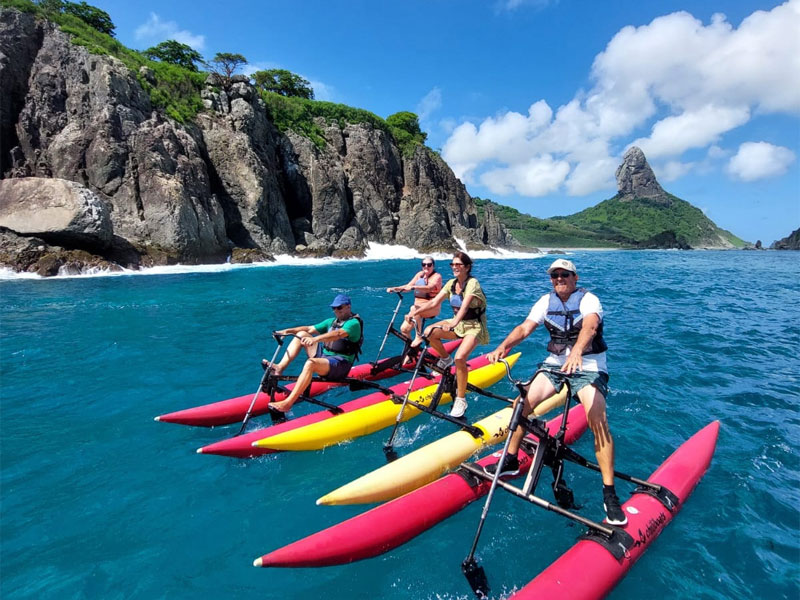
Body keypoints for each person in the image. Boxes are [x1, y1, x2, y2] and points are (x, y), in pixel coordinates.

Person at [485, 258, 628, 526]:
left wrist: (576, 352)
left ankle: (609, 493)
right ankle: (512, 460)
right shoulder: (545, 301)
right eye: (555, 275)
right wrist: (503, 346)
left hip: (588, 365)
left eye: (564, 274)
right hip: (555, 364)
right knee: (521, 404)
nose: (559, 279)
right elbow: (525, 327)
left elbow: (590, 327)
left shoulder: (589, 300)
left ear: (575, 277)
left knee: (597, 417)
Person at [408, 251, 489, 418]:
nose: (454, 267)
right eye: (452, 264)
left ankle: (461, 398)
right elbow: (433, 302)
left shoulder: (472, 283)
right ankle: (445, 359)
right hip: (457, 324)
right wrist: (414, 312)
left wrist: (452, 323)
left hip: (474, 327)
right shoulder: (451, 283)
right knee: (428, 332)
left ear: (467, 267)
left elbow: (465, 306)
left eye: (458, 264)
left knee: (460, 358)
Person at [267, 294, 363, 413]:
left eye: (339, 308)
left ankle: (288, 404)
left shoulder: (353, 323)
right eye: (334, 308)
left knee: (310, 364)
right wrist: (287, 331)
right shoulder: (331, 322)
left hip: (340, 364)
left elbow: (338, 334)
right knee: (301, 334)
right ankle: (279, 367)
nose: (336, 311)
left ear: (348, 307)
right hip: (325, 358)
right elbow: (308, 329)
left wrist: (315, 339)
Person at [385, 256, 443, 342]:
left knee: (414, 309)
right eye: (424, 264)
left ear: (433, 266)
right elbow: (408, 286)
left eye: (429, 265)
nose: (426, 266)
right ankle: (413, 351)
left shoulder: (437, 277)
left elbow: (429, 288)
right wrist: (395, 288)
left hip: (432, 307)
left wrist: (413, 287)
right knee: (404, 329)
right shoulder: (420, 275)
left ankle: (418, 337)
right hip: (418, 307)